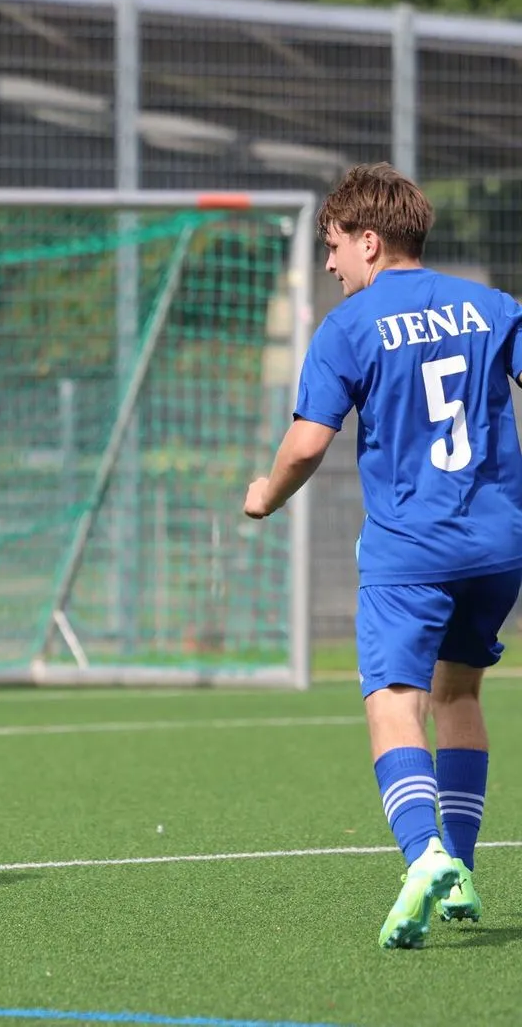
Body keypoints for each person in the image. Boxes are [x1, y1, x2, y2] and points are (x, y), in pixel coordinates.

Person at [242, 163, 522, 949]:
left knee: (394, 701)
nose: (330, 264)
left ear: (369, 241)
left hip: (412, 552)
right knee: (459, 695)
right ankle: (460, 867)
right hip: (498, 548)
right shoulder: (492, 306)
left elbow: (307, 445)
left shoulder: (350, 326)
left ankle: (425, 854)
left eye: (334, 246)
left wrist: (265, 494)